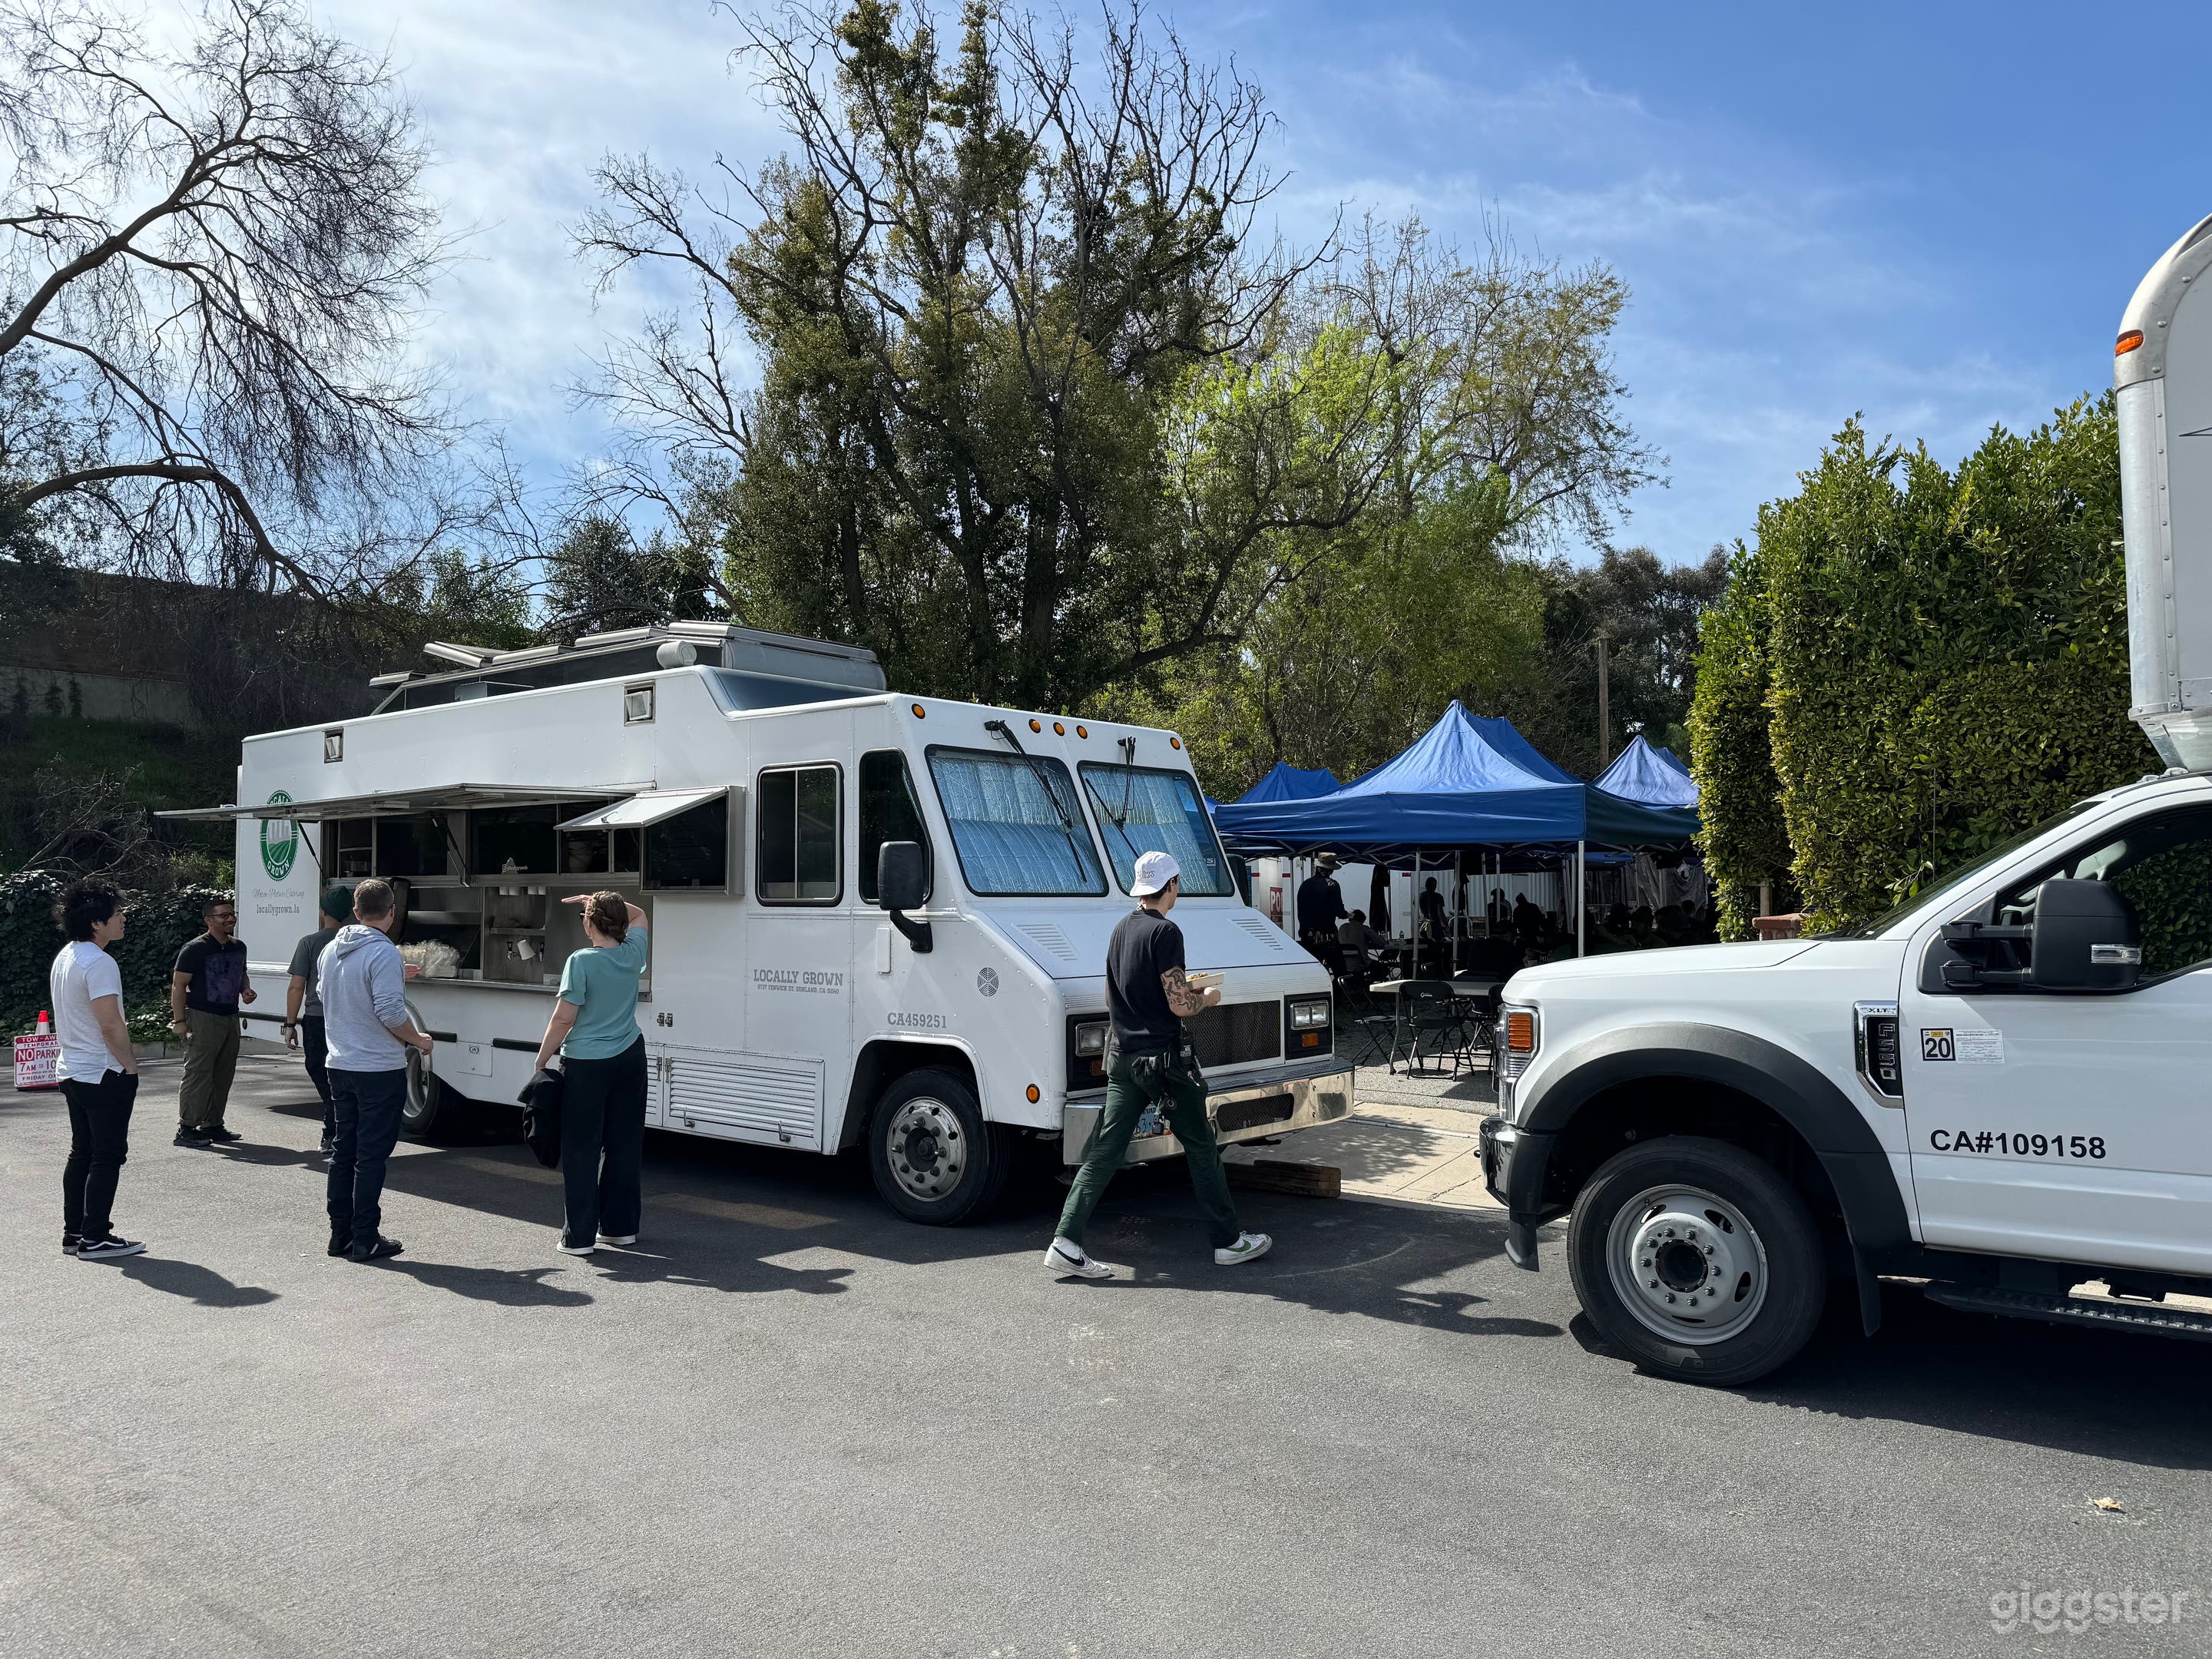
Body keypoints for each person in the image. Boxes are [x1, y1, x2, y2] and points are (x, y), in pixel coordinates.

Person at [1044, 850, 1271, 1280]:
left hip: (1123, 1057)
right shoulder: (1167, 932)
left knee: (1105, 1150)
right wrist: (1206, 998)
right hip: (1164, 1060)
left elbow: (1119, 995)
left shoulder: (1119, 930)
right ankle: (1228, 1243)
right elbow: (1178, 1004)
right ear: (1171, 886)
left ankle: (1066, 1242)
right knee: (1201, 1146)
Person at [320, 878, 434, 1263]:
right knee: (370, 1157)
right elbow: (389, 1013)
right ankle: (366, 1237)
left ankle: (341, 1236)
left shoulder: (333, 948)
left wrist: (397, 974)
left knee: (343, 1152)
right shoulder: (383, 953)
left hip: (340, 1063)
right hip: (377, 1068)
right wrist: (418, 1039)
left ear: (355, 911)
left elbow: (330, 993)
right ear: (392, 913)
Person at [531, 890, 650, 1256]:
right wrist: (603, 902)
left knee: (582, 1148)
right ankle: (620, 1229)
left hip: (587, 1063)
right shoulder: (632, 954)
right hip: (631, 1056)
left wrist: (541, 1059)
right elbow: (640, 914)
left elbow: (565, 1017)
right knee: (623, 1145)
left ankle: (579, 1237)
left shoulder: (581, 960)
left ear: (589, 923)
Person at [51, 878, 144, 1261]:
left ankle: (75, 1233)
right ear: (96, 923)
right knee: (106, 1156)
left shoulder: (66, 956)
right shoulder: (99, 962)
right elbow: (110, 1024)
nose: (123, 918)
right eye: (117, 913)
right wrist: (130, 1065)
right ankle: (96, 1237)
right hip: (102, 1072)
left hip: (72, 1070)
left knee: (82, 1154)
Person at [171, 896, 254, 1147]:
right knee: (198, 1073)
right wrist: (180, 1021)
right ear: (209, 920)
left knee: (223, 1073)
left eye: (232, 914)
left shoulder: (239, 946)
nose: (231, 919)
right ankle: (186, 1129)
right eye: (224, 915)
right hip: (202, 1016)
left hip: (230, 1016)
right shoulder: (195, 948)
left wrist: (245, 990)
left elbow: (242, 974)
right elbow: (178, 985)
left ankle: (213, 1124)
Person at [284, 886, 353, 1155]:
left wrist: (290, 1024)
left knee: (318, 1069)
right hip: (350, 1019)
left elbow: (296, 986)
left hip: (317, 1017)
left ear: (322, 911)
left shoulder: (310, 943)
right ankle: (340, 1126)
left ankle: (333, 1127)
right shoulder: (362, 941)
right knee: (345, 1074)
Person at [1295, 855, 1349, 952]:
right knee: (1339, 966)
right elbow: (1339, 911)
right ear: (1331, 870)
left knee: (1314, 964)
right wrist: (1348, 915)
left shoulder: (1305, 884)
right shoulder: (1332, 885)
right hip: (1326, 935)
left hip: (1306, 933)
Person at [1336, 908, 1388, 972]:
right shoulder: (1363, 928)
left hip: (1345, 964)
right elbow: (1381, 942)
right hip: (1361, 963)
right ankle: (1369, 979)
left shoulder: (1342, 928)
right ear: (1361, 920)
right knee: (1385, 969)